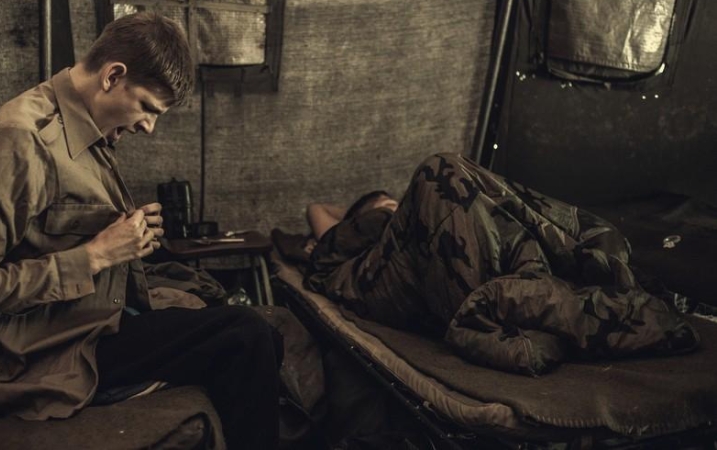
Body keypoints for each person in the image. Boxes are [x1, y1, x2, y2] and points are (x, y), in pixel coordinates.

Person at [0, 12, 281, 449]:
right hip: (52, 345)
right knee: (245, 336)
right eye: (147, 109)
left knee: (264, 334)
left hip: (103, 316)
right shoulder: (21, 141)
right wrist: (96, 255)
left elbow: (53, 226)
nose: (149, 128)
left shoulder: (90, 124)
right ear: (112, 75)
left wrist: (126, 236)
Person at [292, 153, 699, 375]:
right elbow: (316, 210)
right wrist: (374, 208)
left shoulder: (429, 223)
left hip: (444, 267)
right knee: (440, 171)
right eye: (388, 206)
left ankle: (566, 276)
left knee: (506, 221)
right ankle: (549, 298)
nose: (397, 207)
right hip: (388, 284)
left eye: (396, 205)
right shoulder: (350, 243)